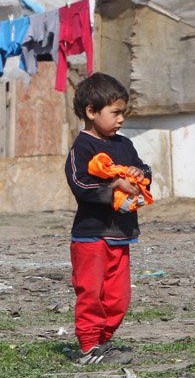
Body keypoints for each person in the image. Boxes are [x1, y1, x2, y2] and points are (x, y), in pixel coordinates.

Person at [64, 72, 151, 364]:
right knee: (91, 293)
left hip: (121, 234)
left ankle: (103, 342)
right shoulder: (82, 147)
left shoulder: (124, 145)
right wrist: (114, 185)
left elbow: (143, 169)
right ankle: (89, 346)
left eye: (122, 113)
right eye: (115, 113)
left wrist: (140, 176)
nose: (121, 119)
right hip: (91, 236)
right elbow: (81, 185)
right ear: (91, 112)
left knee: (118, 297)